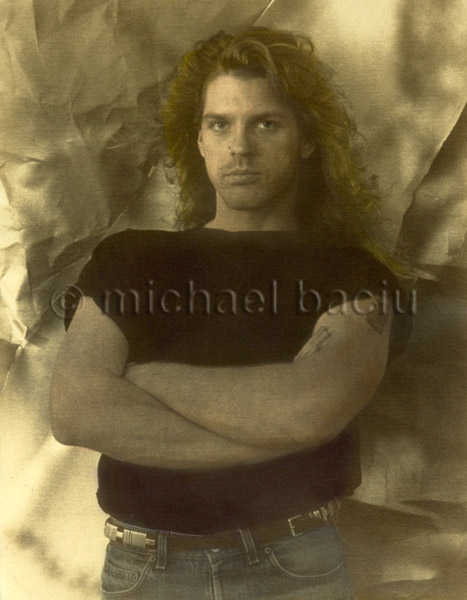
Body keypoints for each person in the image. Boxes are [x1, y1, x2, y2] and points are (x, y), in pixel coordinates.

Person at [50, 26, 409, 600]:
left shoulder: (351, 271)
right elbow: (76, 411)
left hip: (294, 567)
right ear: (198, 139)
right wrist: (284, 430)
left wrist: (145, 378)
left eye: (265, 124)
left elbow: (309, 409)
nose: (239, 146)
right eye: (220, 124)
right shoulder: (131, 257)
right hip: (145, 571)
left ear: (307, 139)